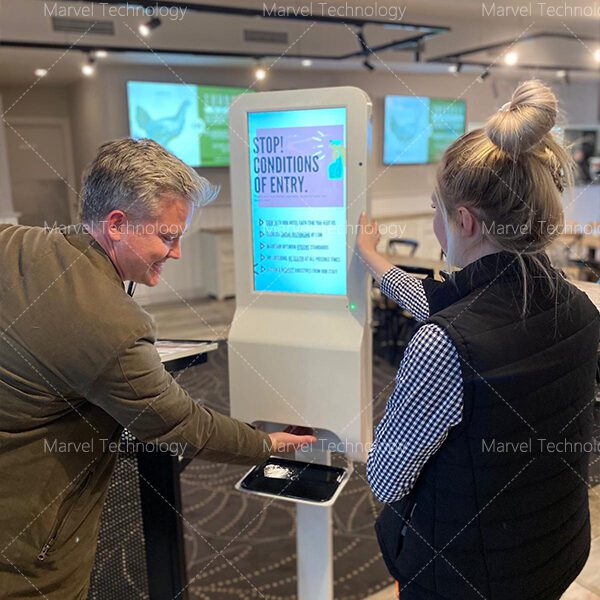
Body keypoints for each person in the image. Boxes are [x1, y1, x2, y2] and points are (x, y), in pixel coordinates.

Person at [0, 138, 315, 598]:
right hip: (27, 547)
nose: (177, 252)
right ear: (116, 224)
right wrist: (264, 443)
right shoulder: (110, 325)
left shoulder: (15, 241)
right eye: (168, 236)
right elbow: (178, 424)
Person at [357, 81, 600, 600]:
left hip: (466, 578)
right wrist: (374, 259)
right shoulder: (576, 307)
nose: (434, 222)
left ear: (463, 220)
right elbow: (438, 300)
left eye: (435, 209)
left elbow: (387, 478)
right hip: (554, 550)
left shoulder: (444, 345)